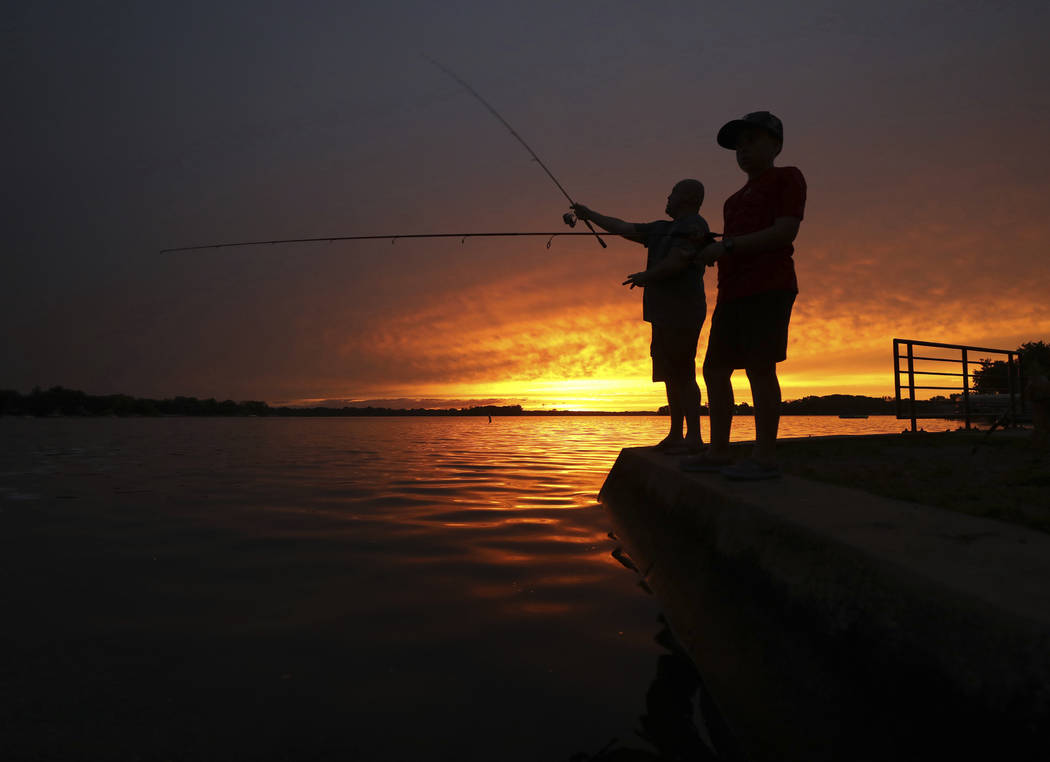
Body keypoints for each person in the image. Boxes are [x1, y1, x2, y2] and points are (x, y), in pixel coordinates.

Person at [682, 111, 806, 480]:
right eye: (739, 144)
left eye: (753, 140)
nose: (743, 149)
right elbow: (732, 246)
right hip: (731, 293)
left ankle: (764, 457)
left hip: (770, 286)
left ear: (777, 144)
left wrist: (728, 246)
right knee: (714, 369)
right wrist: (707, 247)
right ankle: (719, 452)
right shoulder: (732, 201)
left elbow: (785, 232)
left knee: (759, 367)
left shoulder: (788, 177)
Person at [573, 180, 712, 454]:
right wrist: (590, 214)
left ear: (688, 197)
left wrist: (646, 276)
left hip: (683, 309)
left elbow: (679, 260)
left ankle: (693, 436)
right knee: (670, 375)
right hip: (660, 313)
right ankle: (675, 434)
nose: (667, 197)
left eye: (672, 193)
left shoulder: (695, 225)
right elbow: (623, 227)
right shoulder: (661, 229)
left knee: (683, 372)